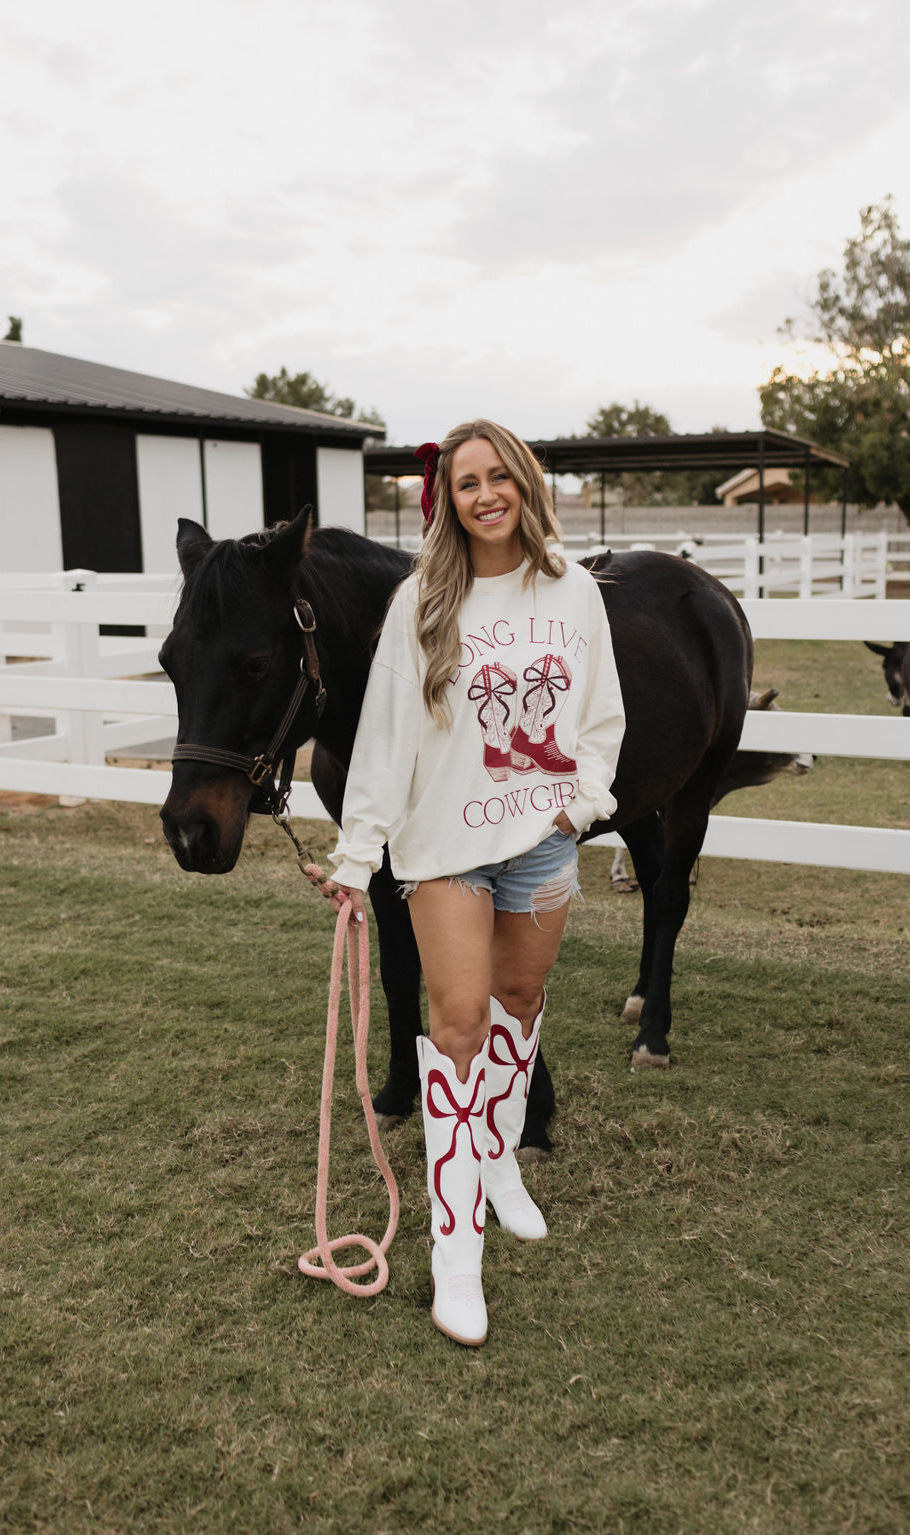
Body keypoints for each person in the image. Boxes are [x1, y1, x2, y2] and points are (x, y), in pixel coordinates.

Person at [307, 420, 625, 1347]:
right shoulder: (422, 602)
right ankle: (456, 1253)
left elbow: (601, 713)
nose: (484, 494)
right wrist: (357, 853)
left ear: (524, 483)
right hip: (445, 847)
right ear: (447, 499)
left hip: (544, 842)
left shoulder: (573, 594)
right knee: (458, 1023)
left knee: (521, 1004)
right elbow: (385, 739)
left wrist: (581, 803)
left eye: (498, 477)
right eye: (465, 482)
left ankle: (497, 1159)